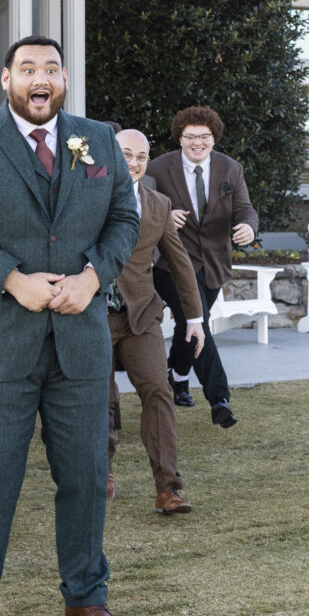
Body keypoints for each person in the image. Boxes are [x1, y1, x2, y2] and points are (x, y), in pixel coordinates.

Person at [0, 36, 139, 616]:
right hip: (0, 340)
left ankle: (85, 598)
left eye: (51, 68)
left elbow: (124, 219)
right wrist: (11, 278)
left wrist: (93, 278)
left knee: (86, 475)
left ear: (64, 79)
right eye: (27, 69)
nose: (40, 78)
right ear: (7, 79)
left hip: (80, 340)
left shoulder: (97, 139)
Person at [107, 129, 204, 515]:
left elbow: (180, 264)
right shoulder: (83, 197)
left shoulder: (159, 205)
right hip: (91, 315)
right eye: (126, 155)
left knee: (159, 390)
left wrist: (194, 318)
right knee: (100, 396)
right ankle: (101, 471)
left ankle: (168, 489)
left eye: (141, 157)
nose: (134, 163)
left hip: (141, 314)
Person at [147, 106, 258, 428]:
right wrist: (163, 216)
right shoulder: (158, 168)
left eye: (204, 136)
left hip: (213, 264)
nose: (198, 142)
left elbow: (245, 209)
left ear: (214, 137)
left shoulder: (230, 168)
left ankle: (178, 377)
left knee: (190, 325)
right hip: (171, 263)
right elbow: (141, 206)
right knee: (198, 323)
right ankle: (219, 398)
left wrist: (248, 227)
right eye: (190, 136)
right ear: (179, 138)